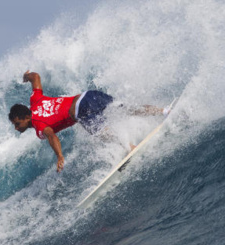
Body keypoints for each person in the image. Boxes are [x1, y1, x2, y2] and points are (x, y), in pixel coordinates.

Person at [9, 71, 166, 172]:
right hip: (88, 95)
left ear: (26, 118)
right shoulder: (35, 100)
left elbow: (50, 135)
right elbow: (35, 77)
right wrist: (26, 77)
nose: (17, 128)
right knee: (126, 109)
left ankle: (130, 147)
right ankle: (163, 111)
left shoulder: (38, 126)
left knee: (98, 132)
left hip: (81, 110)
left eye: (17, 124)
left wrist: (59, 156)